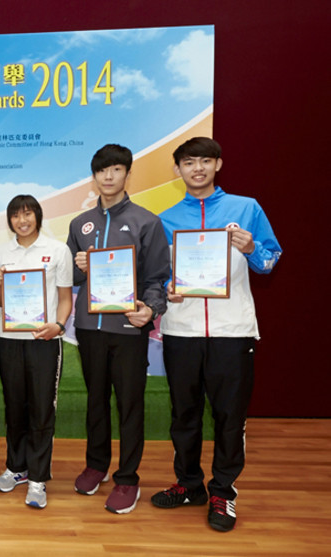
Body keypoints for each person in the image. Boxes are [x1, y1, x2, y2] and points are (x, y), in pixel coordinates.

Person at [151, 137, 281, 532]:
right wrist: (167, 289)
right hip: (181, 331)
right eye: (189, 162)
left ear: (218, 164)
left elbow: (270, 261)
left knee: (229, 417)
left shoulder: (246, 208)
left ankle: (223, 490)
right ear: (177, 170)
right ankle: (189, 484)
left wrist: (252, 247)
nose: (198, 169)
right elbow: (158, 277)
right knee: (184, 414)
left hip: (232, 330)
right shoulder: (165, 219)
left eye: (205, 161)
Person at [66, 144, 169, 514]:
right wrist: (78, 265)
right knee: (96, 399)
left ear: (127, 174)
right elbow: (72, 277)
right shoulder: (80, 224)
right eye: (102, 171)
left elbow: (158, 278)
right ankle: (97, 464)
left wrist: (151, 309)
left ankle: (127, 478)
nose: (108, 177)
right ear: (93, 177)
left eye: (116, 170)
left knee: (129, 404)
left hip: (128, 327)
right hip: (89, 328)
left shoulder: (146, 222)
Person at [0, 195, 73, 509]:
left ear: (37, 216)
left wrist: (59, 326)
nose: (22, 221)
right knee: (15, 406)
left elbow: (65, 297)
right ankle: (17, 468)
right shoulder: (2, 252)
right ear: (9, 220)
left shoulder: (56, 250)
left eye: (28, 214)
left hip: (44, 340)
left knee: (41, 409)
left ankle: (38, 477)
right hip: (8, 339)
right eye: (16, 216)